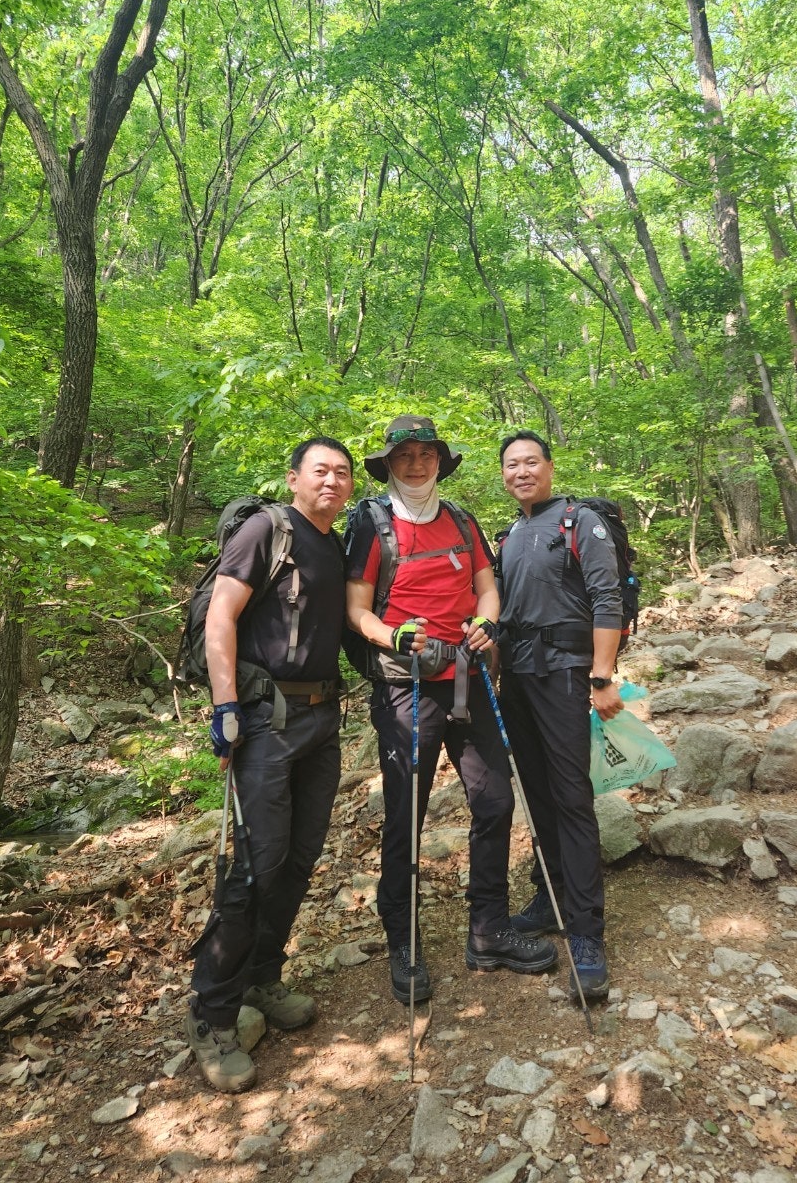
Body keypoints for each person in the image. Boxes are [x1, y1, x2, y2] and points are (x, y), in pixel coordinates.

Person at [345, 415, 557, 1005]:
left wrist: (487, 623)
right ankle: (404, 939)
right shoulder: (372, 522)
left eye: (426, 454)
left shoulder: (462, 520)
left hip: (469, 677)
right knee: (405, 814)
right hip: (406, 687)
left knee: (495, 802)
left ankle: (488, 930)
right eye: (404, 456)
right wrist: (393, 637)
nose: (416, 465)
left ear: (440, 460)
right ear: (389, 464)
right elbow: (356, 609)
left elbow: (487, 588)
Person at [185, 437, 355, 1093]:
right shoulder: (267, 530)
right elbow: (221, 616)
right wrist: (225, 706)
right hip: (264, 722)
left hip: (322, 721)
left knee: (300, 857)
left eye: (342, 473)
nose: (332, 481)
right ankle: (212, 1013)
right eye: (321, 471)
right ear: (294, 478)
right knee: (255, 866)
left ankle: (262, 976)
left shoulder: (335, 545)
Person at [495, 430, 624, 1002]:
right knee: (538, 794)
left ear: (549, 467)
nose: (521, 471)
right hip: (518, 678)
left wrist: (601, 676)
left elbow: (607, 598)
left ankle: (587, 933)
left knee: (571, 797)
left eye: (530, 462)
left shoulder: (580, 522)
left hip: (567, 674)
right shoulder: (509, 535)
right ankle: (552, 899)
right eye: (511, 465)